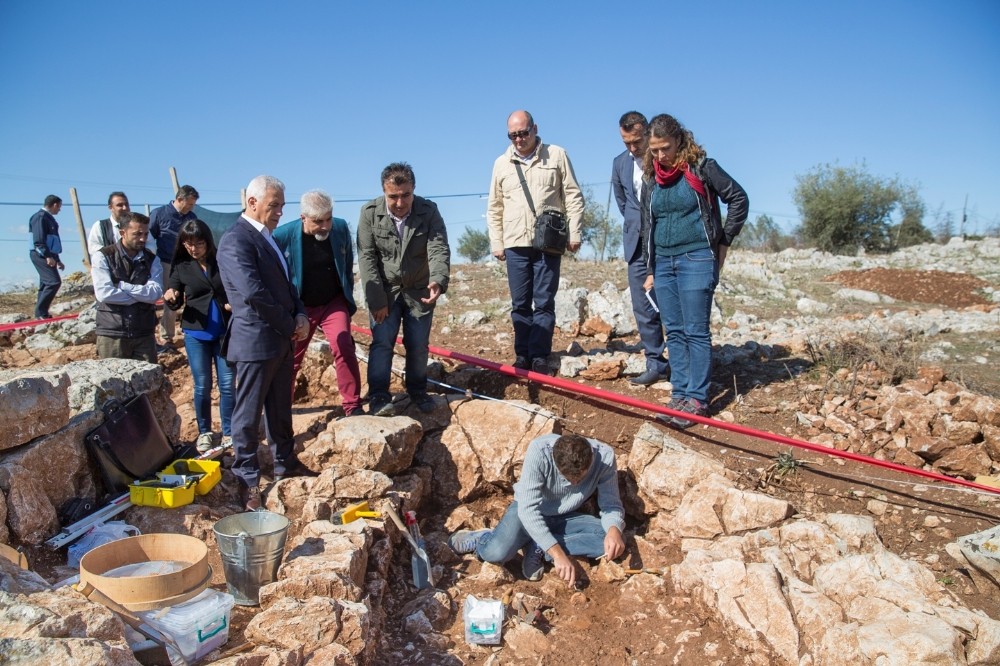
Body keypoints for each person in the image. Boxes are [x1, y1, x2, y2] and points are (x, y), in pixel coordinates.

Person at [640, 113, 749, 428]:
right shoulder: (651, 178)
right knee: (674, 330)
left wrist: (724, 241)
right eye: (654, 149)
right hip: (664, 262)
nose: (660, 155)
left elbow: (738, 199)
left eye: (666, 148)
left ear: (679, 141)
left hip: (697, 259)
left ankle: (697, 400)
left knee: (695, 331)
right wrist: (650, 267)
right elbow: (648, 225)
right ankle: (679, 395)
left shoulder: (703, 168)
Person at [217, 175, 313, 511]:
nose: (279, 212)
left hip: (280, 339)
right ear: (252, 202)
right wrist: (290, 325)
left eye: (282, 206)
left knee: (280, 408)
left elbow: (287, 286)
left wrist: (300, 314)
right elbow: (253, 293)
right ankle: (247, 479)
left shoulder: (268, 238)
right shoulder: (236, 240)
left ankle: (285, 463)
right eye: (274, 206)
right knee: (248, 414)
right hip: (256, 341)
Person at [448, 433, 626, 586]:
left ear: (591, 459)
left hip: (565, 517)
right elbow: (528, 510)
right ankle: (483, 539)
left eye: (580, 478)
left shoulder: (605, 458)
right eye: (567, 478)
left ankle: (540, 544)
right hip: (530, 512)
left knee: (612, 540)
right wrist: (558, 555)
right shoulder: (540, 451)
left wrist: (613, 530)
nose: (574, 483)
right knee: (495, 553)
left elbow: (611, 505)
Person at [487, 110, 585, 375]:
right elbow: (495, 206)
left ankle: (540, 356)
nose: (519, 139)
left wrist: (574, 233)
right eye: (513, 135)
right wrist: (497, 242)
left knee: (543, 302)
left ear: (535, 129)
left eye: (523, 133)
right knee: (520, 303)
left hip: (548, 242)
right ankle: (522, 355)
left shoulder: (557, 155)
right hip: (515, 242)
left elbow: (573, 195)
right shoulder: (501, 164)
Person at [357, 163, 450, 417]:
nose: (400, 203)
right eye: (393, 196)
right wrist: (376, 300)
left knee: (418, 345)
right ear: (384, 192)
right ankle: (378, 396)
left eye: (406, 195)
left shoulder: (428, 211)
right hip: (385, 291)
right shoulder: (369, 213)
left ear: (414, 189)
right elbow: (367, 257)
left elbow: (438, 247)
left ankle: (417, 391)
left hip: (419, 290)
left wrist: (438, 280)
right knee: (382, 343)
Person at [274, 190, 363, 417]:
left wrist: (346, 295)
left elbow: (347, 264)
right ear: (303, 217)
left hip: (333, 301)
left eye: (328, 219)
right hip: (301, 306)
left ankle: (352, 405)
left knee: (343, 346)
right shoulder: (282, 236)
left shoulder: (340, 228)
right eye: (318, 221)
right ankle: (281, 412)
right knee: (291, 358)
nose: (325, 226)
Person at [164, 219, 234, 453]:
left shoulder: (221, 260)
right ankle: (205, 432)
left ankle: (229, 432)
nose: (194, 249)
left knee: (227, 385)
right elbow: (174, 297)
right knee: (202, 385)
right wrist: (171, 297)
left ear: (208, 242)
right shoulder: (181, 265)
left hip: (224, 332)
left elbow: (233, 288)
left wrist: (231, 304)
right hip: (196, 333)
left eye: (199, 243)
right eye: (189, 244)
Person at [612, 112, 669, 386]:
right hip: (636, 245)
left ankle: (683, 365)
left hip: (666, 241)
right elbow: (624, 203)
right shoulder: (619, 164)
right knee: (643, 308)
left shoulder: (663, 158)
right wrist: (638, 226)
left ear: (647, 133)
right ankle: (656, 363)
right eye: (627, 143)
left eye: (637, 141)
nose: (633, 148)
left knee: (671, 304)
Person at [91, 212, 163, 363]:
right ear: (122, 233)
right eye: (137, 234)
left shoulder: (152, 259)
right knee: (113, 377)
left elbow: (155, 293)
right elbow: (104, 293)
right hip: (112, 334)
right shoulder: (103, 256)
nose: (143, 239)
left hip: (144, 333)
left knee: (148, 377)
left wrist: (123, 287)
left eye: (145, 234)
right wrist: (141, 297)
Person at [150, 185, 200, 348]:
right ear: (179, 199)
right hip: (166, 263)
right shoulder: (159, 214)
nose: (191, 207)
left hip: (186, 263)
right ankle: (167, 337)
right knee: (171, 299)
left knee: (193, 296)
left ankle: (193, 331)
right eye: (190, 204)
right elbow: (149, 238)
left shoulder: (191, 217)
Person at [28, 194, 64, 320]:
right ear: (55, 204)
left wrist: (57, 259)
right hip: (40, 254)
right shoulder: (40, 217)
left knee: (45, 283)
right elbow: (39, 240)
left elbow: (52, 241)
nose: (59, 209)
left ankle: (41, 314)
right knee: (53, 282)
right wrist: (47, 256)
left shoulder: (49, 218)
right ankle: (40, 312)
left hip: (48, 254)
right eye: (59, 207)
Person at [87, 191, 132, 256]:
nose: (125, 208)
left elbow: (147, 246)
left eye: (126, 205)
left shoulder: (138, 225)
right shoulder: (100, 226)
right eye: (120, 205)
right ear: (110, 208)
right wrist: (114, 252)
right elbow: (93, 248)